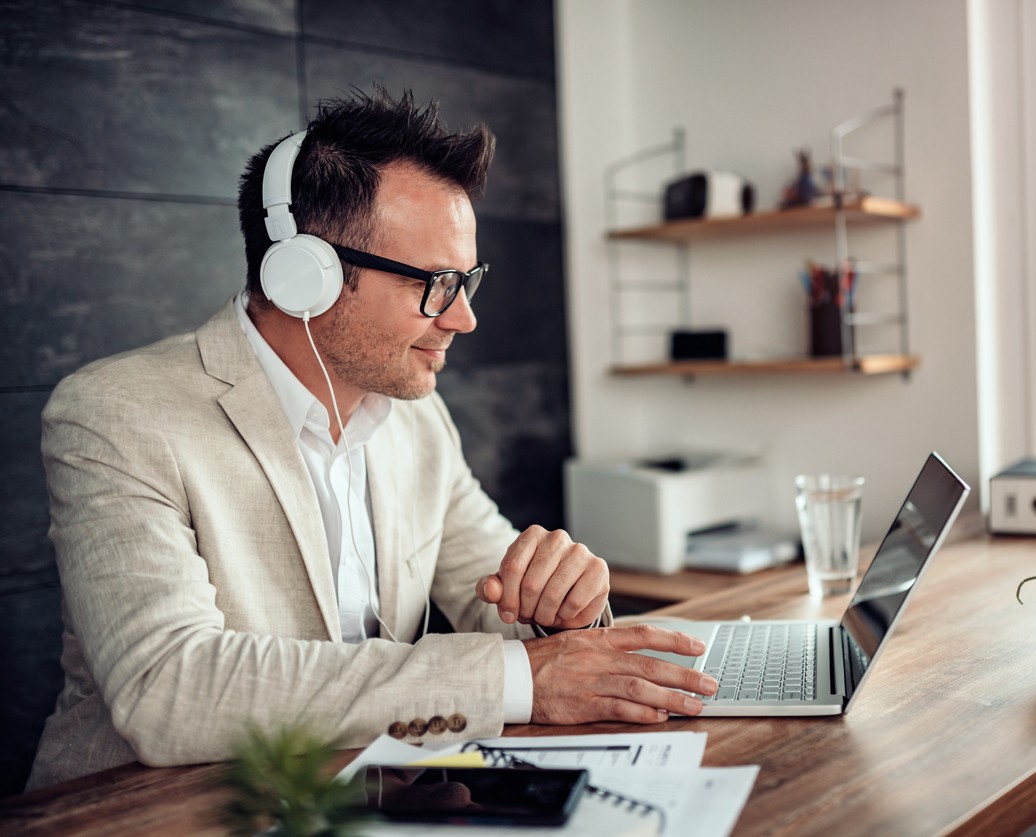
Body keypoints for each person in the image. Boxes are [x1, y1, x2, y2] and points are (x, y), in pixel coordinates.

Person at [26, 88, 715, 791]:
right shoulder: (116, 414)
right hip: (148, 812)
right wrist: (520, 676)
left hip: (368, 801)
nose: (464, 319)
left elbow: (495, 595)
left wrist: (558, 608)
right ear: (306, 275)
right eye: (439, 283)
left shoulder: (416, 415)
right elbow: (169, 686)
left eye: (467, 280)